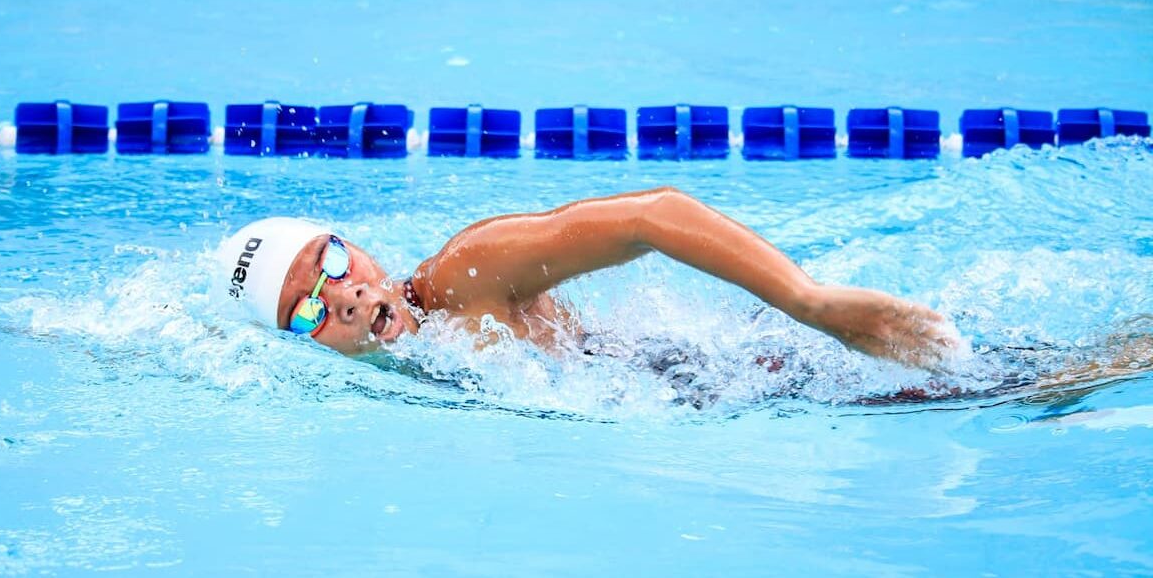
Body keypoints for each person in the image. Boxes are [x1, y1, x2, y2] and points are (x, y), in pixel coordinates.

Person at [218, 187, 961, 372]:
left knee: (996, 381)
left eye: (335, 264)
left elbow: (653, 215)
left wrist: (814, 305)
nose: (342, 295)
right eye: (307, 306)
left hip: (723, 377)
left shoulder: (465, 274)